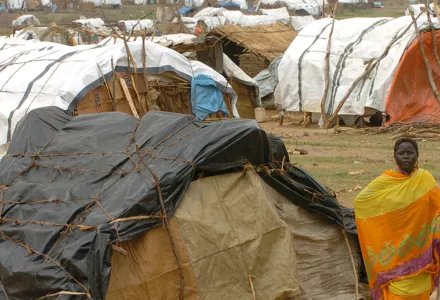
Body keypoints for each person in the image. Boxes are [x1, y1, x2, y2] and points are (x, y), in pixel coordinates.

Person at [354, 138, 440, 300]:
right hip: (394, 253)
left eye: (410, 153)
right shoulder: (386, 181)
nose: (406, 156)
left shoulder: (425, 179)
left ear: (417, 155)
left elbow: (437, 210)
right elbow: (361, 201)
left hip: (421, 255)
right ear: (395, 156)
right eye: (401, 153)